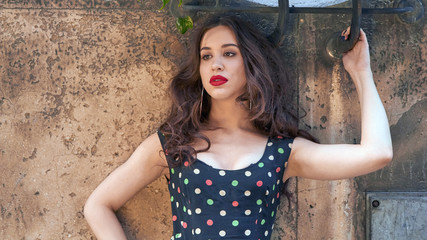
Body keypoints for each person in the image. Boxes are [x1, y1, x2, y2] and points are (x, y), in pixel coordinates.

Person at [84, 15, 393, 239]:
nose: (215, 64)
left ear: (252, 64)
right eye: (207, 57)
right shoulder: (173, 143)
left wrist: (361, 71)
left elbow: (377, 153)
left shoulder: (283, 153)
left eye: (229, 54)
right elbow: (98, 205)